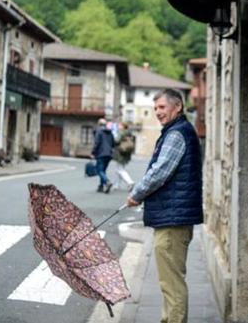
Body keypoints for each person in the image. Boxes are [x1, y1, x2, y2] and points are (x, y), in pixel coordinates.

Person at [126, 88, 203, 323]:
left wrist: (136, 194)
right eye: (155, 108)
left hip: (173, 220)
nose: (157, 112)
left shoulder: (177, 133)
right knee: (169, 283)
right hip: (173, 217)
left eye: (161, 107)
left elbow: (159, 172)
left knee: (172, 285)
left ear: (177, 106)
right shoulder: (178, 131)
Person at [92, 118, 114, 193]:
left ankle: (107, 182)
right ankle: (101, 186)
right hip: (109, 154)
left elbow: (97, 143)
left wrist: (93, 153)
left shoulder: (99, 131)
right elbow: (113, 143)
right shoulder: (110, 132)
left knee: (99, 171)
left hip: (101, 154)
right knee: (103, 171)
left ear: (99, 124)